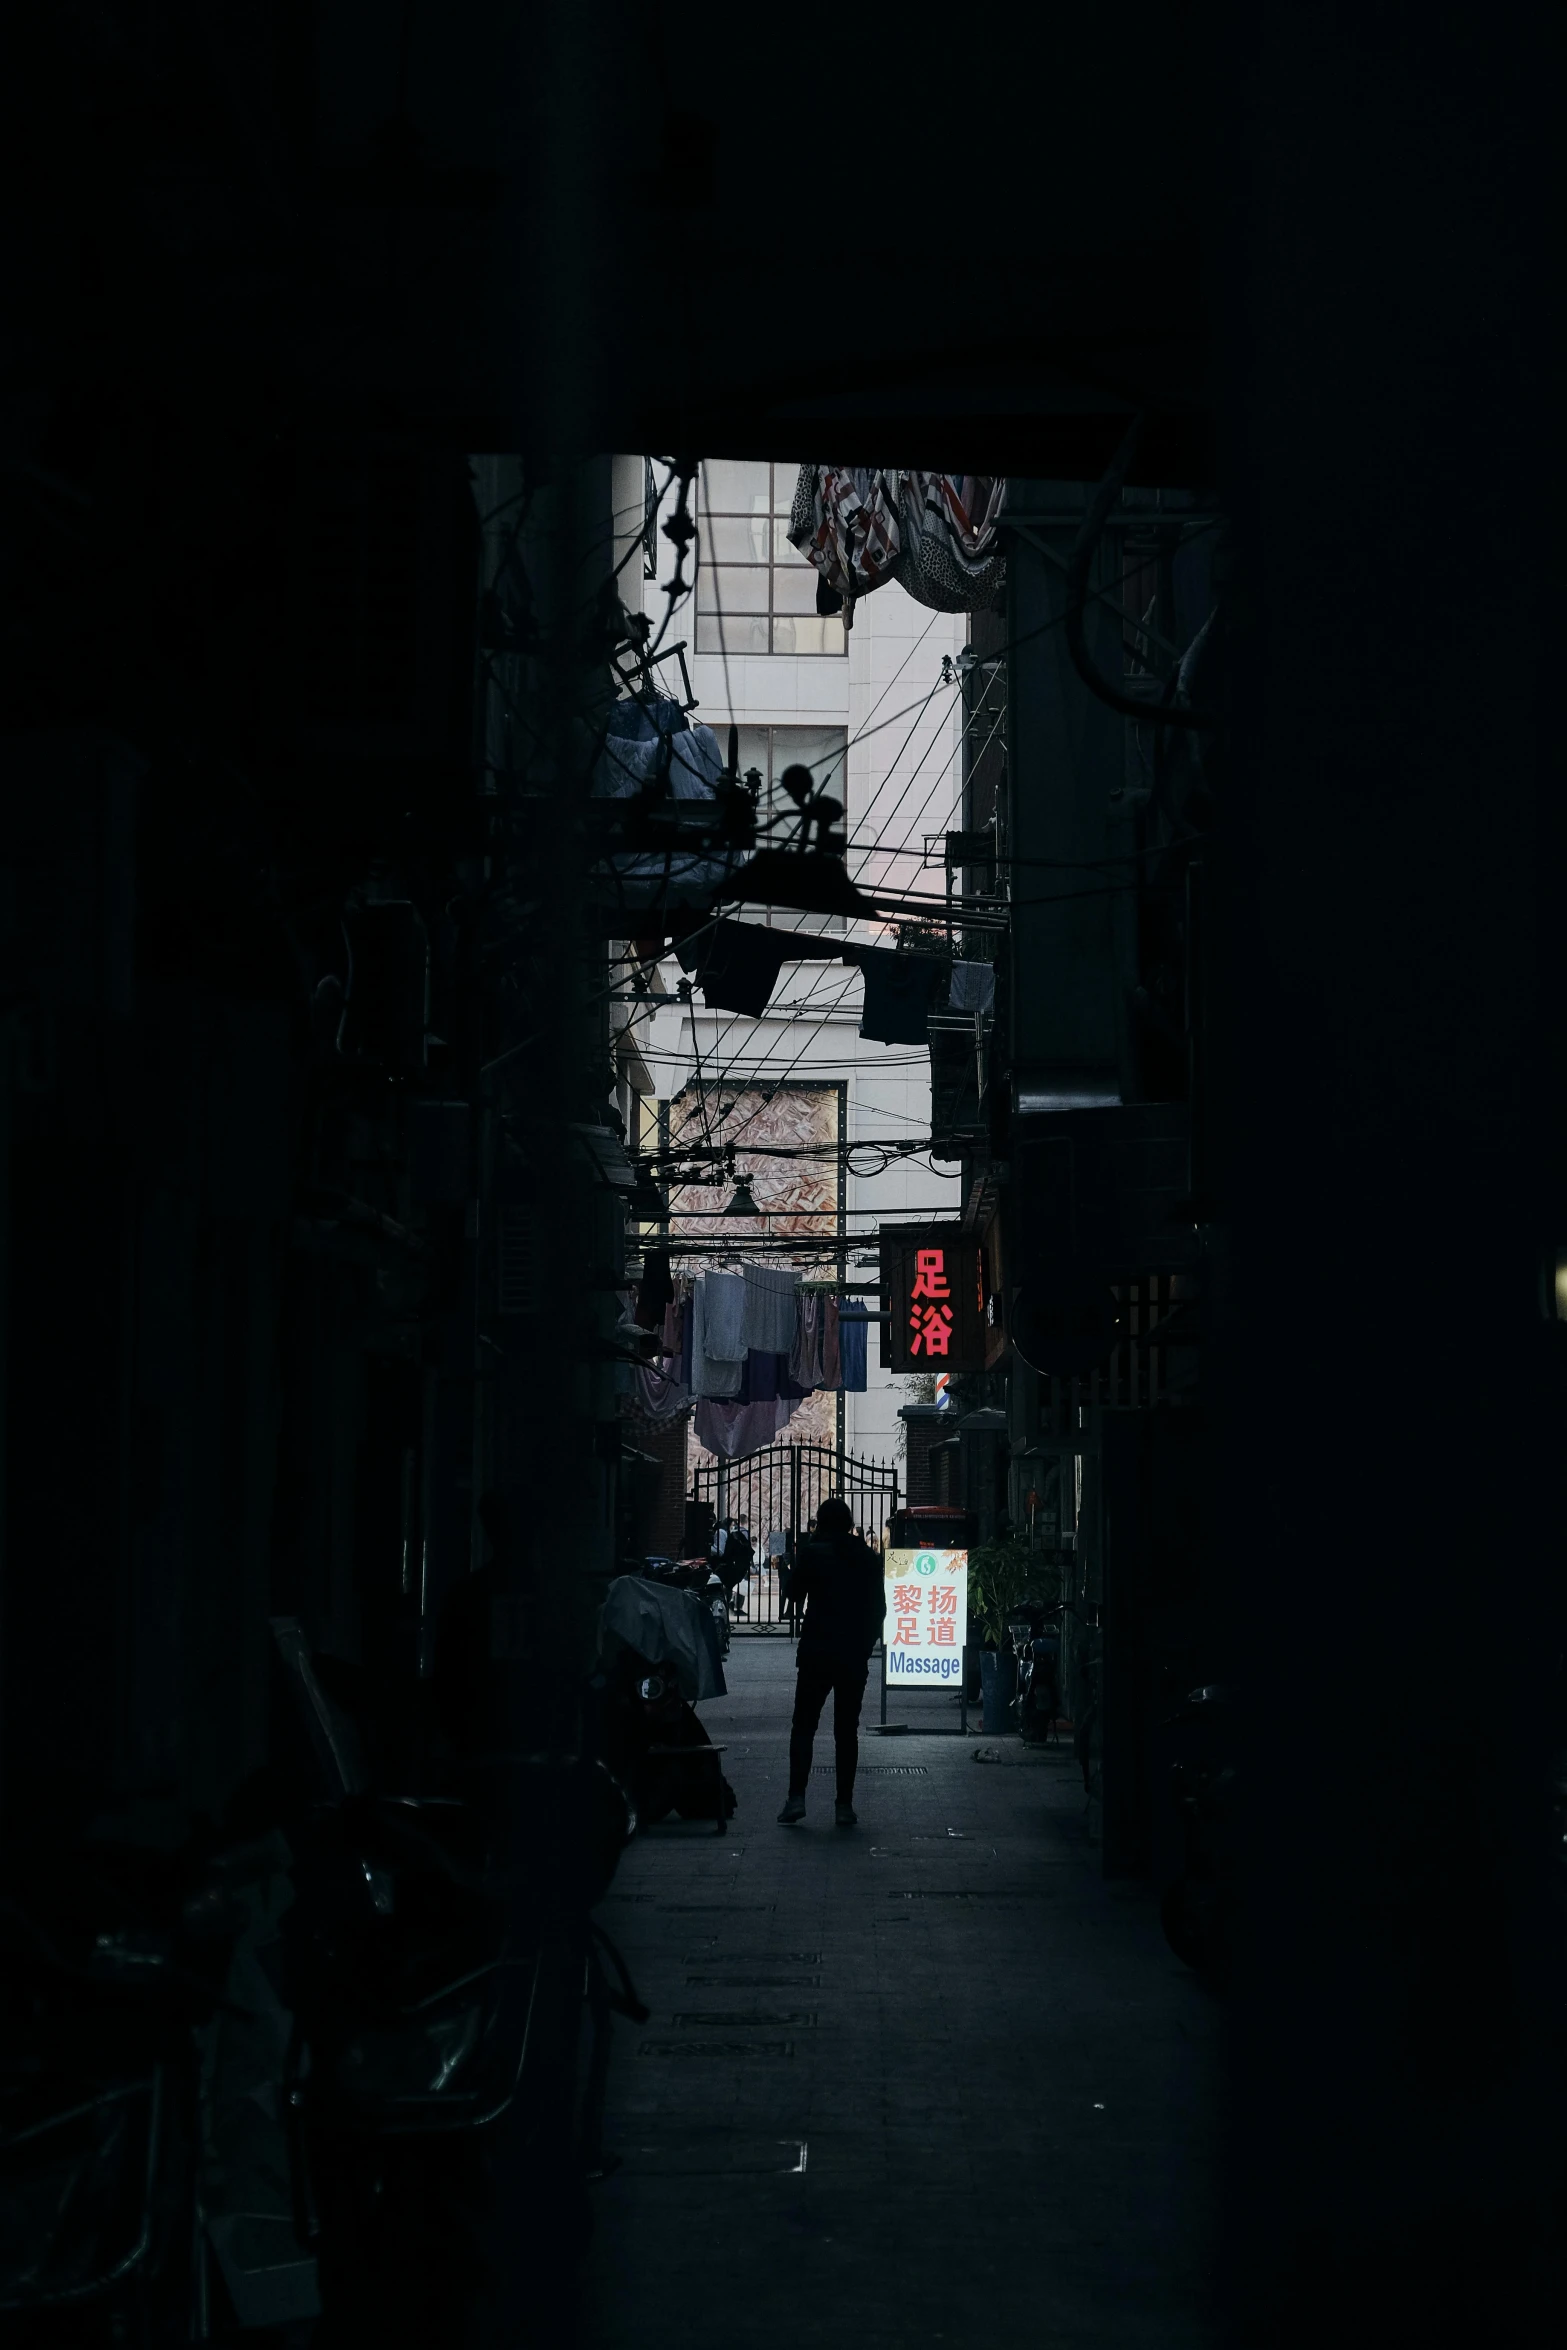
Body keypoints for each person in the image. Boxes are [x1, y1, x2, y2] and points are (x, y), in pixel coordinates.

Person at [777, 1495, 885, 1829]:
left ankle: (797, 1797)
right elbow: (879, 1609)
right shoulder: (868, 1557)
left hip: (816, 1652)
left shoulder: (812, 1554)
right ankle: (844, 1805)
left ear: (821, 1524)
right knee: (846, 1731)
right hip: (852, 1654)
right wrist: (864, 1646)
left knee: (804, 1726)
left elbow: (793, 1596)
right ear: (850, 1524)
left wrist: (802, 1556)